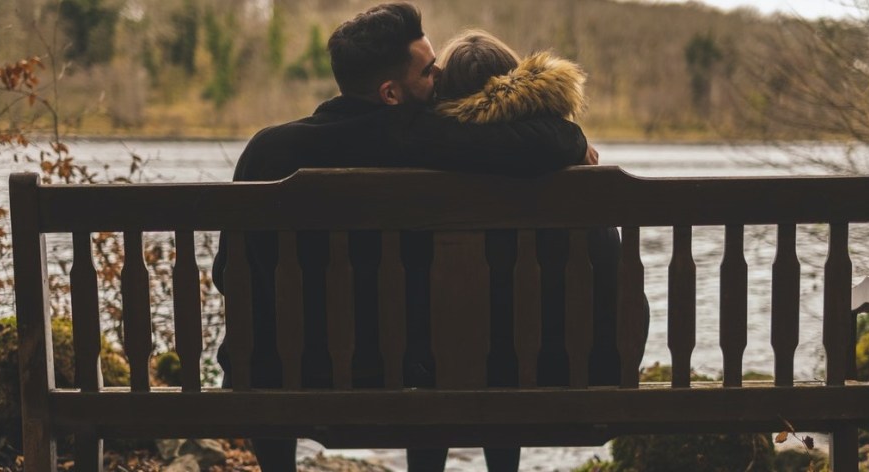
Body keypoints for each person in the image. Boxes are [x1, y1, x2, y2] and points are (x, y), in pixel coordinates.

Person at [211, 4, 595, 472]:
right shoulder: (421, 138)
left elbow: (226, 274)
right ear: (391, 93)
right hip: (398, 374)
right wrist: (577, 143)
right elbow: (551, 139)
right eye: (430, 71)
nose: (439, 80)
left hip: (276, 376)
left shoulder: (266, 150)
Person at [416, 30, 632, 472]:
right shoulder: (566, 155)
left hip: (438, 376)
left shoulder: (422, 155)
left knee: (452, 341)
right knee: (510, 340)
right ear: (516, 79)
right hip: (575, 372)